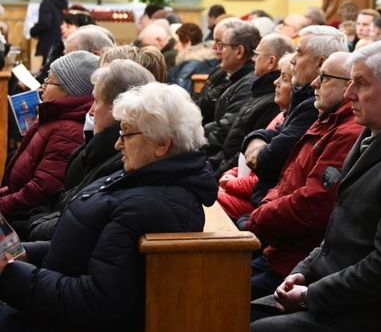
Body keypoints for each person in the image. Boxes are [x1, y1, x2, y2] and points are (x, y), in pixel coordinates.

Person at [250, 40, 381, 331]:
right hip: (339, 290)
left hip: (379, 312)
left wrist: (310, 296)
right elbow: (338, 231)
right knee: (230, 309)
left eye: (360, 84)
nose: (349, 94)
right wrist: (302, 272)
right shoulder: (373, 136)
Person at [0, 83, 218, 331]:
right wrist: (20, 252)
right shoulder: (143, 177)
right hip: (44, 300)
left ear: (162, 144)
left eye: (126, 133)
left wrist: (9, 274)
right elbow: (81, 245)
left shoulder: (151, 205)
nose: (117, 145)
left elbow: (96, 302)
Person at [237, 52, 363, 299]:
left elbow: (313, 203)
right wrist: (260, 213)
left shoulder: (347, 131)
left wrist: (256, 220)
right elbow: (286, 180)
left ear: (349, 85)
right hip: (278, 248)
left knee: (222, 298)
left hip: (295, 260)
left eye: (324, 78)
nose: (314, 83)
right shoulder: (325, 117)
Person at [21, 60, 156, 242]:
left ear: (119, 108)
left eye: (97, 101)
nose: (91, 111)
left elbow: (73, 219)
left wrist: (26, 226)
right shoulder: (101, 147)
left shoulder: (122, 158)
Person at [242, 26, 348, 203]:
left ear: (320, 63)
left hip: (271, 205)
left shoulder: (315, 107)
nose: (292, 60)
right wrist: (257, 138)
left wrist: (256, 145)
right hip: (267, 201)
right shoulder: (304, 99)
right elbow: (274, 134)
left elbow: (271, 160)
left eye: (299, 53)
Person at [0, 51, 99, 221]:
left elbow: (43, 188)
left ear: (69, 91)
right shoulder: (55, 116)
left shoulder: (69, 130)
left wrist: (3, 205)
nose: (42, 86)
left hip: (27, 218)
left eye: (49, 81)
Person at [217, 54, 294, 219]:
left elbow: (267, 176)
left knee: (205, 200)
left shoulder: (289, 118)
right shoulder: (281, 115)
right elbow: (244, 151)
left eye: (285, 78)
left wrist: (230, 182)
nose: (276, 82)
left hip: (257, 201)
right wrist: (231, 173)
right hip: (241, 185)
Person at [208, 34, 295, 177]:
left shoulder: (272, 102)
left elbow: (243, 151)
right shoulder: (259, 90)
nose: (253, 59)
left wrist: (214, 174)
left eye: (257, 54)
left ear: (271, 61)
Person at [168, 22, 217, 92]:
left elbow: (181, 89)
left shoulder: (191, 63)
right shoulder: (206, 59)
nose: (175, 47)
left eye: (177, 42)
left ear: (188, 42)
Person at [30, 0, 68, 64]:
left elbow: (45, 23)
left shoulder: (47, 3)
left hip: (48, 40)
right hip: (59, 38)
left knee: (46, 68)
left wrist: (33, 31)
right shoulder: (61, 1)